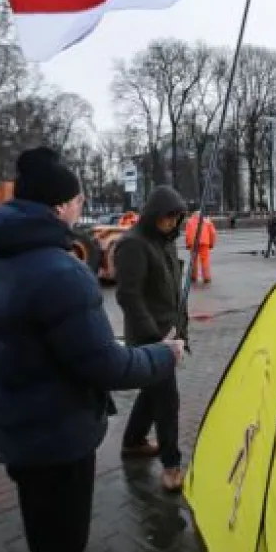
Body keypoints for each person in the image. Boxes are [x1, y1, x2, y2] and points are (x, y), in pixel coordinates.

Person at [0, 148, 182, 552]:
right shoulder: (63, 272)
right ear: (60, 206)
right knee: (63, 549)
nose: (81, 208)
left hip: (17, 429)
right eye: (80, 201)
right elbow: (106, 367)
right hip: (60, 438)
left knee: (44, 543)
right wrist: (163, 354)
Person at [115, 185, 191, 492]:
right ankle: (171, 465)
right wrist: (154, 337)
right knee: (166, 400)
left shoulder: (166, 243)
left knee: (153, 393)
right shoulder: (133, 245)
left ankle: (133, 442)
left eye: (177, 219)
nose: (172, 224)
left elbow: (171, 292)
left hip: (171, 334)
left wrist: (181, 329)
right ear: (153, 215)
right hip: (151, 340)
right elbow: (128, 296)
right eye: (167, 218)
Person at [184, 209, 217, 284]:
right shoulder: (206, 221)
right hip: (205, 242)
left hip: (193, 243)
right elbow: (213, 233)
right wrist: (211, 243)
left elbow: (187, 234)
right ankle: (206, 278)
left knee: (193, 260)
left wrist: (188, 244)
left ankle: (193, 276)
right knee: (205, 260)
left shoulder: (190, 221)